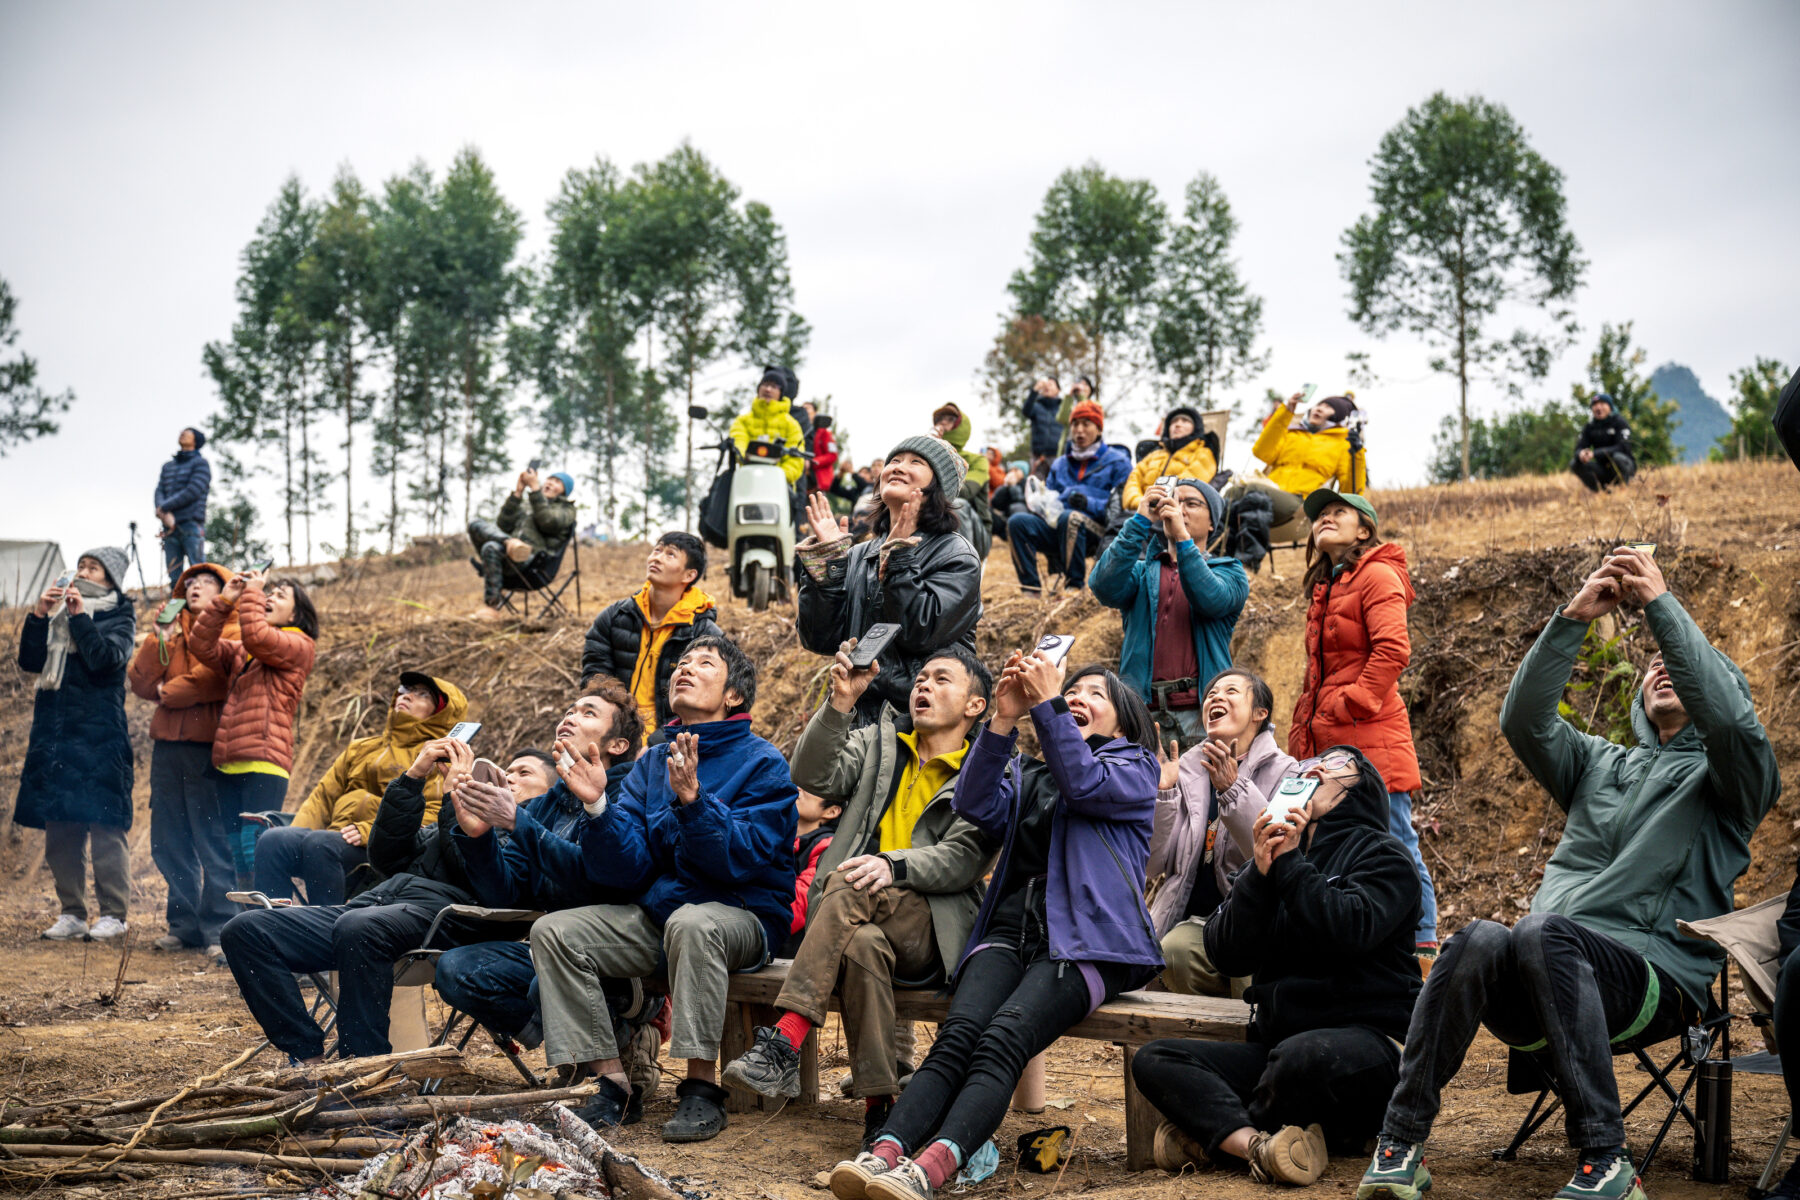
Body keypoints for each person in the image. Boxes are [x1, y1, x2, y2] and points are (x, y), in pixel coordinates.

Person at [1355, 546, 1780, 1200]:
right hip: (1547, 970)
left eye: (1681, 663)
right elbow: (1522, 719)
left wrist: (1661, 608)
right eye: (1653, 663)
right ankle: (1400, 1142)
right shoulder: (1598, 764)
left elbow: (1728, 720)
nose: (1661, 665)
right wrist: (1575, 617)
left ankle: (1606, 1158)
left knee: (1540, 931)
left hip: (1651, 979)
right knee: (1477, 938)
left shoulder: (1733, 780)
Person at [830, 655, 1161, 1200]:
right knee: (956, 1039)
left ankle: (929, 1169)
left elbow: (1083, 783)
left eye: (1094, 694)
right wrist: (1004, 720)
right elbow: (974, 802)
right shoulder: (1032, 773)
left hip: (1085, 944)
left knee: (1002, 1039)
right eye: (1071, 691)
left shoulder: (1134, 767)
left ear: (1124, 722)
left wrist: (1050, 703)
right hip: (1008, 931)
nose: (1076, 698)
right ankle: (883, 1153)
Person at [724, 645, 995, 1145]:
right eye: (921, 677)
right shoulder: (880, 742)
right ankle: (880, 1109)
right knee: (862, 945)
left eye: (941, 679)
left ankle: (785, 1040)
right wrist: (840, 703)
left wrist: (893, 865)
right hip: (862, 916)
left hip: (933, 928)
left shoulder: (986, 769)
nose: (924, 685)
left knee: (848, 881)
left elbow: (962, 859)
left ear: (975, 705)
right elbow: (812, 776)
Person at [532, 635, 796, 1142]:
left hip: (743, 915)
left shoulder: (763, 761)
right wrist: (597, 809)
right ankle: (612, 1082)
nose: (684, 669)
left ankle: (701, 1087)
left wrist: (695, 804)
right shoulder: (653, 762)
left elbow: (741, 860)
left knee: (694, 922)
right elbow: (627, 870)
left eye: (704, 663)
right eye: (680, 663)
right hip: (664, 913)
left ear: (734, 695)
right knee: (556, 932)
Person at [1135, 746, 1423, 1185]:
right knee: (1156, 1058)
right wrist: (1258, 874)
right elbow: (1226, 953)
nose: (1317, 767)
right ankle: (1258, 1145)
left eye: (1337, 763)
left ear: (1362, 786)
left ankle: (1216, 1134)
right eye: (1308, 764)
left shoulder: (1385, 856)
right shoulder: (1275, 853)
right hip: (1279, 1049)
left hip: (1367, 1046)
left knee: (1302, 1058)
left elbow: (1347, 931)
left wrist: (1289, 863)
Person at [219, 733, 512, 1063]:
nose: (506, 775)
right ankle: (308, 1058)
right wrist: (411, 781)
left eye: (521, 774)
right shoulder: (441, 827)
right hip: (375, 906)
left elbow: (480, 875)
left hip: (446, 921)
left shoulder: (518, 836)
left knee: (360, 926)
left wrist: (453, 802)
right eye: (508, 770)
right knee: (245, 930)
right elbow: (386, 858)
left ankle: (363, 1065)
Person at [432, 682, 648, 1059]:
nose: (570, 717)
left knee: (544, 983)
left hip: (618, 950)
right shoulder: (545, 805)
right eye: (570, 710)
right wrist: (479, 838)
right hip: (548, 947)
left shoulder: (631, 794)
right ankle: (607, 1038)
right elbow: (506, 895)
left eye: (588, 713)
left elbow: (598, 881)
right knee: (455, 969)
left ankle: (614, 1037)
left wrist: (520, 824)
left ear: (617, 745)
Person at [1288, 490, 1437, 963]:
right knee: (1335, 846)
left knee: (1395, 841)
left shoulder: (1377, 574)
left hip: (1371, 735)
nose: (1325, 519)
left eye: (1339, 512)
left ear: (1365, 529)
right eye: (1319, 515)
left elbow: (1393, 650)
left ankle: (1422, 950)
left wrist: (1351, 702)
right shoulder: (1328, 585)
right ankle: (1370, 950)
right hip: (1331, 740)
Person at [797, 438, 983, 727]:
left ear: (938, 486)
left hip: (920, 719)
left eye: (916, 462)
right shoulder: (859, 554)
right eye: (894, 461)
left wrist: (899, 558)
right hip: (855, 714)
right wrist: (830, 569)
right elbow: (820, 640)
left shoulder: (956, 554)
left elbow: (918, 632)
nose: (898, 467)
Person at [251, 672, 467, 906]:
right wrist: (295, 837)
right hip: (334, 837)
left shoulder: (437, 758)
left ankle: (321, 923)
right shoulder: (361, 748)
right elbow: (322, 798)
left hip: (386, 850)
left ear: (441, 712)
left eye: (423, 694)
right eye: (406, 690)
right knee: (274, 840)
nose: (407, 696)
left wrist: (369, 831)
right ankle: (271, 921)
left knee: (320, 845)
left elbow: (436, 814)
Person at [1147, 667, 1296, 996]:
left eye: (1231, 691)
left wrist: (1233, 790)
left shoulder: (1287, 771)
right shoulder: (1187, 770)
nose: (1216, 697)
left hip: (1257, 920)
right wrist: (1164, 795)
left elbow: (1276, 856)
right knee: (1174, 951)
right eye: (1211, 694)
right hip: (1194, 922)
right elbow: (1153, 864)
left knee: (1253, 976)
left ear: (1260, 713)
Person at [17, 548, 136, 943]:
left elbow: (106, 659)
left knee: (105, 827)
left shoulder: (119, 615)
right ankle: (71, 912)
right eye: (81, 565)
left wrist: (80, 617)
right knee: (60, 829)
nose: (83, 572)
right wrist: (39, 615)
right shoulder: (58, 617)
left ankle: (114, 915)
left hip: (101, 738)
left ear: (111, 579)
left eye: (93, 568)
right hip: (56, 737)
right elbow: (31, 661)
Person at [1089, 478, 1248, 748]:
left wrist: (1183, 539)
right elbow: (1103, 586)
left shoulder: (1229, 571)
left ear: (1212, 523)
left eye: (1191, 504)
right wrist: (1139, 521)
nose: (1178, 508)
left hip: (1202, 715)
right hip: (1141, 714)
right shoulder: (1141, 572)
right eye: (1174, 500)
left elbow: (1211, 599)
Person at [128, 562, 237, 957]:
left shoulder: (232, 626)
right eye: (189, 582)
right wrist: (159, 637)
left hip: (209, 745)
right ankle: (184, 924)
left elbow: (215, 678)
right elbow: (140, 682)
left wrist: (168, 693)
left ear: (224, 590)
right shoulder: (172, 630)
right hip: (167, 748)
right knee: (169, 838)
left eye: (207, 582)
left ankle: (221, 926)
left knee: (212, 837)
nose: (195, 587)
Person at [189, 570, 320, 882]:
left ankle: (273, 909)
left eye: (279, 595)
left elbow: (258, 637)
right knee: (238, 855)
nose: (269, 598)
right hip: (229, 763)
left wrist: (254, 591)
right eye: (268, 593)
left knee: (256, 849)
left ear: (296, 614)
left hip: (264, 762)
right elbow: (201, 645)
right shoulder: (244, 650)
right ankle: (248, 911)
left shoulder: (300, 644)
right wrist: (224, 601)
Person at [581, 531, 723, 735]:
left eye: (670, 554)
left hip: (670, 741)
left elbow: (705, 703)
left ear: (689, 575)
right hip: (613, 733)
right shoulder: (614, 617)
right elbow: (595, 678)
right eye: (657, 550)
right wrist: (617, 733)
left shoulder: (705, 635)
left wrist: (656, 744)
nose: (657, 558)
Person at [1227, 391, 1366, 571]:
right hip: (1267, 492)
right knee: (1232, 494)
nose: (1319, 409)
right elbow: (1261, 452)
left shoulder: (1343, 444)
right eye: (1319, 404)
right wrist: (1286, 411)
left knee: (1255, 490)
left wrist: (1357, 453)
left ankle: (1246, 565)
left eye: (1327, 407)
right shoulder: (1293, 433)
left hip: (1300, 504)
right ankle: (1219, 559)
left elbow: (1352, 492)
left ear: (1339, 416)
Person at [1005, 400, 1131, 594]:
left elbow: (1123, 506)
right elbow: (1050, 496)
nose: (1079, 430)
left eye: (1086, 424)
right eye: (1075, 424)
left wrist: (1088, 503)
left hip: (1098, 530)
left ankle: (1074, 586)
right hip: (1059, 525)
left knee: (1070, 518)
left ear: (1099, 429)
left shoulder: (1118, 462)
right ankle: (1030, 589)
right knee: (1017, 522)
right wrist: (1041, 503)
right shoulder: (1060, 464)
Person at [468, 465, 576, 617]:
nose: (551, 483)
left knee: (490, 547)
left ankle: (491, 607)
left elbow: (548, 522)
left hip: (534, 564)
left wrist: (535, 490)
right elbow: (502, 525)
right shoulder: (528, 504)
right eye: (550, 479)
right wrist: (517, 493)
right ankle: (508, 542)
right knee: (475, 524)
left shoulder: (566, 509)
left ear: (565, 490)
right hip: (508, 557)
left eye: (558, 482)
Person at [1122, 406, 1219, 511]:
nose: (1177, 424)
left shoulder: (1204, 453)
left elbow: (1189, 486)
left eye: (1185, 421)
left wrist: (1157, 505)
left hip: (1176, 512)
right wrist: (1141, 503)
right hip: (1138, 511)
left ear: (1195, 428)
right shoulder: (1153, 455)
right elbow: (1133, 481)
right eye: (1173, 422)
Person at [930, 403, 994, 561]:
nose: (943, 422)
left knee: (957, 505)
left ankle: (963, 567)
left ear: (961, 426)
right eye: (940, 419)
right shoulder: (927, 458)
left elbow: (965, 492)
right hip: (933, 524)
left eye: (950, 419)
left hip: (977, 534)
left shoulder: (978, 460)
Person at [730, 365, 807, 488]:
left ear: (781, 393)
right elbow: (738, 443)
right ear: (758, 389)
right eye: (765, 385)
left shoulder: (791, 424)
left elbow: (796, 459)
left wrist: (779, 476)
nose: (768, 389)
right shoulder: (742, 420)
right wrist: (745, 460)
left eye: (774, 387)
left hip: (780, 485)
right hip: (748, 481)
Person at [786, 788, 842, 954]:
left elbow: (800, 905)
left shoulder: (828, 847)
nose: (799, 788)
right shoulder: (777, 832)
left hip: (789, 949)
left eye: (812, 789)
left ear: (831, 811)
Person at [155, 427, 212, 587]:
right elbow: (159, 490)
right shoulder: (168, 466)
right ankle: (177, 602)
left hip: (191, 522)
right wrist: (162, 512)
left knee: (198, 569)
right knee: (174, 575)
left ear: (196, 440)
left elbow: (193, 490)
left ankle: (203, 600)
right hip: (169, 526)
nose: (182, 433)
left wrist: (164, 508)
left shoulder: (201, 464)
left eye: (188, 432)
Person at [1571, 393, 1637, 491]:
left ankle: (1624, 488)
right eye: (1595, 405)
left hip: (1624, 465)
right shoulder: (1590, 427)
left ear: (1610, 406)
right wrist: (1581, 454)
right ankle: (1601, 491)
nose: (1598, 408)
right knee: (1575, 463)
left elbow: (1623, 447)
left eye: (1602, 404)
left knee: (1618, 458)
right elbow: (1578, 448)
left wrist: (1594, 453)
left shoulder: (1619, 422)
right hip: (1602, 469)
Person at [1021, 376, 1063, 476]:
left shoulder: (1062, 409)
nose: (1047, 387)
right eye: (1045, 385)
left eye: (1050, 384)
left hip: (1057, 457)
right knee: (1036, 484)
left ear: (1058, 390)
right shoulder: (1036, 407)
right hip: (1038, 457)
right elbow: (1026, 411)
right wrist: (1035, 390)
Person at [988, 463, 1029, 541]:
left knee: (1016, 507)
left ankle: (1020, 537)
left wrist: (1013, 487)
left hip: (1021, 520)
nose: (1012, 472)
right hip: (1005, 520)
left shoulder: (1028, 484)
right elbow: (996, 503)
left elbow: (1020, 500)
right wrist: (1005, 487)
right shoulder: (1006, 486)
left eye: (1016, 470)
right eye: (1011, 470)